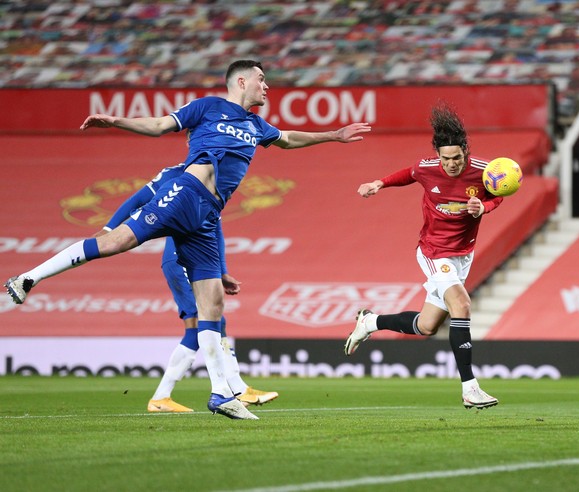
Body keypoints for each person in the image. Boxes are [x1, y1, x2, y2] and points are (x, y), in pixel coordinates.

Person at [5, 59, 371, 420]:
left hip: (208, 215)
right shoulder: (208, 107)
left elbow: (288, 138)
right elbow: (160, 125)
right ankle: (27, 279)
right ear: (240, 82)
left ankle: (220, 394)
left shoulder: (256, 125)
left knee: (212, 305)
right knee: (113, 244)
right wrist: (116, 121)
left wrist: (333, 136)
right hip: (186, 193)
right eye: (261, 79)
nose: (267, 86)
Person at [344, 101, 501, 409]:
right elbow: (408, 174)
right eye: (446, 158)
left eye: (457, 158)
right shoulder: (428, 169)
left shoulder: (483, 172)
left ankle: (370, 322)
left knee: (427, 326)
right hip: (433, 252)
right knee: (462, 303)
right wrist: (379, 183)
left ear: (465, 153)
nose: (451, 164)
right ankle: (470, 388)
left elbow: (499, 194)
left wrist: (484, 207)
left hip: (462, 255)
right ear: (438, 155)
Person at [98, 163, 278, 413]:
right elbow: (138, 198)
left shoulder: (218, 180)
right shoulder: (177, 173)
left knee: (211, 323)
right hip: (181, 259)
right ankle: (233, 389)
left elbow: (217, 231)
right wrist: (108, 230)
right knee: (202, 323)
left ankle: (166, 397)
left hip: (196, 260)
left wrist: (222, 270)